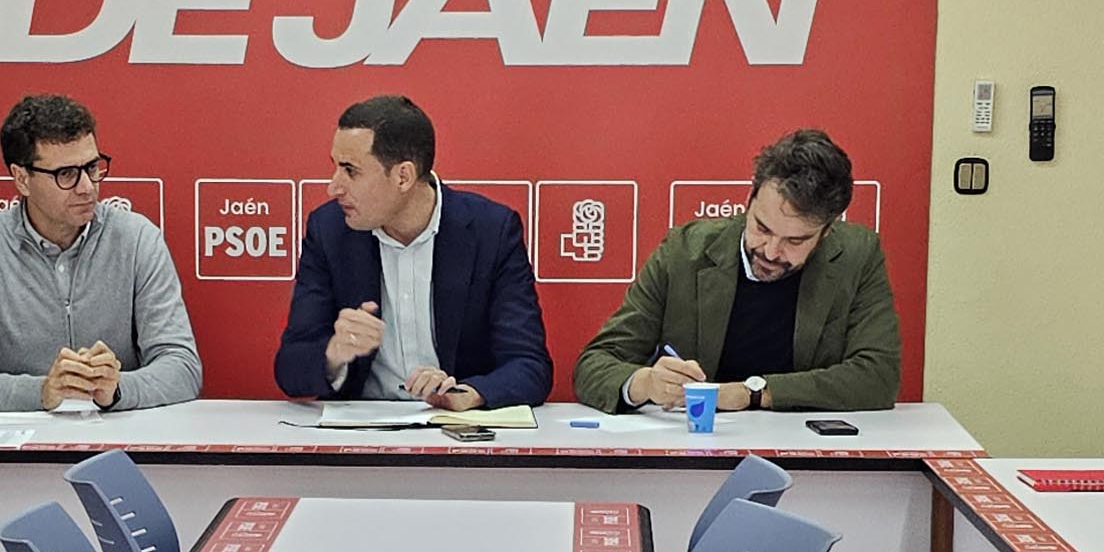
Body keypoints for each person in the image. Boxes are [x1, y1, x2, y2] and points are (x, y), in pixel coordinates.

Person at [572, 129, 904, 415]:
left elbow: (877, 376)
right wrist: (644, 383)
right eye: (762, 228)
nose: (771, 252)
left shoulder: (857, 256)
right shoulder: (684, 253)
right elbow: (594, 364)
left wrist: (753, 393)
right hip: (697, 449)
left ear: (828, 231)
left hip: (804, 451)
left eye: (795, 240)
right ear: (749, 199)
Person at [0, 94, 203, 414]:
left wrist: (117, 389)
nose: (87, 187)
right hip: (19, 436)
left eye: (92, 167)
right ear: (22, 179)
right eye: (66, 174)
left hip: (116, 432)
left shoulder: (137, 239)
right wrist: (41, 392)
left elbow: (182, 366)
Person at [274, 94, 550, 412]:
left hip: (454, 429)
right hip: (360, 430)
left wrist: (467, 393)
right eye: (335, 167)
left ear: (403, 176)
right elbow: (290, 369)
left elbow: (529, 365)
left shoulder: (492, 231)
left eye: (350, 171)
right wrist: (333, 354)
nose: (333, 187)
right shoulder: (329, 230)